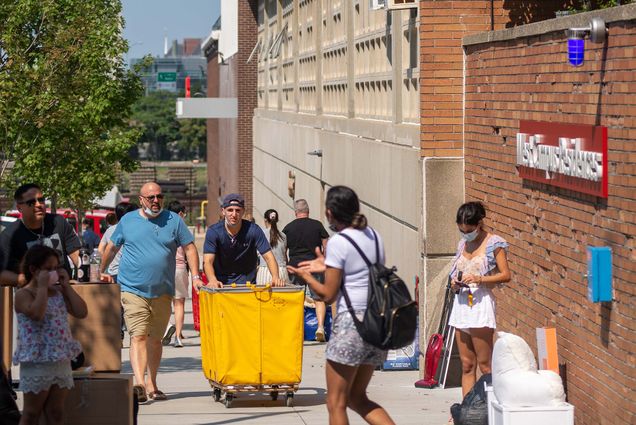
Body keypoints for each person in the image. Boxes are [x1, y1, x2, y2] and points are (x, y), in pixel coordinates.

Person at [288, 186, 395, 425]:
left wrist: (305, 276)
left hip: (351, 325)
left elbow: (328, 295)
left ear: (329, 213)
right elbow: (361, 272)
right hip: (376, 322)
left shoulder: (338, 242)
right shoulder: (374, 236)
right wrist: (328, 265)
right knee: (357, 398)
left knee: (335, 402)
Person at [99, 182, 204, 403]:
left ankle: (152, 382)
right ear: (141, 200)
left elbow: (190, 248)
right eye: (151, 197)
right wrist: (103, 270)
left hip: (163, 290)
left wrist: (195, 276)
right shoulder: (128, 220)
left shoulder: (173, 220)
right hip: (132, 288)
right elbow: (112, 246)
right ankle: (138, 382)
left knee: (155, 340)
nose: (156, 201)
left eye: (159, 197)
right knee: (137, 335)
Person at [13, 245, 87, 425]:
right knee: (31, 413)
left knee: (56, 412)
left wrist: (66, 286)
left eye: (56, 268)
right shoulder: (24, 294)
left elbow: (81, 311)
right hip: (37, 360)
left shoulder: (58, 293)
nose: (54, 272)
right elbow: (37, 314)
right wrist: (42, 288)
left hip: (59, 358)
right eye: (49, 269)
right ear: (34, 270)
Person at [448, 201, 511, 397]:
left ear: (479, 223)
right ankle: (467, 413)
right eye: (462, 229)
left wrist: (480, 278)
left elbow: (505, 275)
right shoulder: (463, 244)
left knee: (485, 365)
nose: (465, 233)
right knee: (467, 364)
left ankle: (491, 409)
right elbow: (457, 271)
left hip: (480, 303)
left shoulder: (494, 243)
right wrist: (455, 283)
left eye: (469, 229)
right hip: (461, 303)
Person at [0, 183, 81, 286]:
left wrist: (93, 272)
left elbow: (77, 256)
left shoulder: (58, 222)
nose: (38, 205)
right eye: (31, 202)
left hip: (63, 291)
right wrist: (25, 280)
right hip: (32, 296)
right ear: (19, 208)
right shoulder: (9, 235)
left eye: (41, 200)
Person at [202, 193, 284, 288]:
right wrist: (212, 280)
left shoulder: (253, 230)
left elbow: (269, 257)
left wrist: (275, 277)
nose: (234, 214)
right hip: (221, 284)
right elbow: (207, 261)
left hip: (247, 284)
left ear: (243, 212)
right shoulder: (214, 232)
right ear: (223, 211)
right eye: (230, 210)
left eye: (238, 210)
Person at [283, 199, 329, 341]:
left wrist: (287, 263)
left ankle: (296, 330)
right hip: (314, 264)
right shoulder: (317, 225)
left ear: (296, 212)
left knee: (296, 298)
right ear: (308, 211)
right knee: (319, 298)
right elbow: (326, 245)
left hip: (295, 266)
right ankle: (320, 327)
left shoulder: (288, 228)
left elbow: (284, 250)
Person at [165, 200, 192, 348]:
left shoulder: (162, 226)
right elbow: (190, 250)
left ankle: (167, 326)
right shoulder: (183, 229)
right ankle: (178, 337)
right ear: (180, 213)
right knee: (179, 303)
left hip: (164, 269)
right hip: (180, 268)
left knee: (163, 302)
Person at [97, 202, 138, 283]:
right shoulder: (134, 229)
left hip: (112, 273)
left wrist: (106, 263)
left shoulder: (110, 230)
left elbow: (100, 249)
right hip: (130, 274)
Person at [256, 209, 288, 285]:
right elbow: (285, 254)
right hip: (282, 270)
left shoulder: (260, 233)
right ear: (277, 220)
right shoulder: (283, 235)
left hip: (265, 270)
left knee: (263, 296)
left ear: (265, 219)